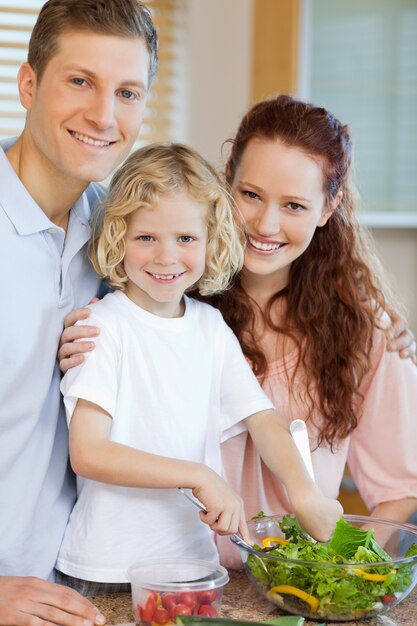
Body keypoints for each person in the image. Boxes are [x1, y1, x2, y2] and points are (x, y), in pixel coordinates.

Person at [54, 142, 342, 595]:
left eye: (186, 238)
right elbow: (89, 453)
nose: (166, 257)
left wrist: (303, 490)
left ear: (212, 240)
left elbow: (262, 419)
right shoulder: (103, 327)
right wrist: (200, 475)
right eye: (146, 237)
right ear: (117, 237)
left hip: (193, 568)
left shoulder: (209, 326)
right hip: (108, 569)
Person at [201, 95, 417, 567]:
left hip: (297, 594)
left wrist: (336, 579)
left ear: (328, 207)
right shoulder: (172, 301)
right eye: (251, 195)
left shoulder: (367, 333)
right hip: (182, 584)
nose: (266, 224)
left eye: (294, 205)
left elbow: (400, 491)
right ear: (227, 180)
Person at [0, 0, 157, 623]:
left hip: (77, 596)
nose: (103, 115)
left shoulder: (120, 234)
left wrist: (367, 309)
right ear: (29, 84)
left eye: (127, 92)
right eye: (80, 82)